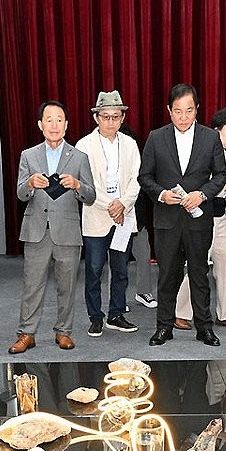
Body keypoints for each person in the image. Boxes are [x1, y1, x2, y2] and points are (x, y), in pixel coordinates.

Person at [137, 83, 226, 347]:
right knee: (167, 275)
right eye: (178, 111)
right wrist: (161, 194)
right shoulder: (156, 137)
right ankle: (164, 327)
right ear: (169, 110)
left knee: (199, 274)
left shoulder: (210, 137)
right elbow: (145, 176)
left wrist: (202, 194)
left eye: (189, 110)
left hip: (199, 218)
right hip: (167, 219)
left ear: (197, 109)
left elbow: (221, 175)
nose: (183, 117)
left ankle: (204, 328)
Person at [10, 100, 96, 354]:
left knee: (66, 286)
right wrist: (30, 183)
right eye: (49, 120)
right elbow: (20, 194)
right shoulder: (28, 155)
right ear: (40, 124)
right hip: (36, 230)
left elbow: (91, 195)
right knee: (32, 285)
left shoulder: (79, 157)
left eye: (59, 120)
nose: (54, 125)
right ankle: (27, 333)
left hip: (67, 231)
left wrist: (77, 185)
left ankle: (64, 331)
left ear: (66, 125)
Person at [74, 90, 141, 338]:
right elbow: (85, 184)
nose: (110, 121)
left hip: (124, 215)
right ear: (96, 118)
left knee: (121, 269)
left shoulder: (130, 144)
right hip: (96, 215)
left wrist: (122, 204)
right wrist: (112, 206)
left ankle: (116, 314)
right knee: (94, 269)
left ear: (122, 118)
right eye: (105, 116)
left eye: (115, 116)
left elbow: (136, 180)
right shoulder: (83, 146)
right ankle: (95, 317)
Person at [173, 106, 226, 330]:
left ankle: (225, 313)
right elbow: (202, 186)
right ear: (216, 131)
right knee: (198, 267)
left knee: (225, 266)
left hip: (221, 219)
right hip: (203, 218)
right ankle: (180, 312)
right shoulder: (203, 152)